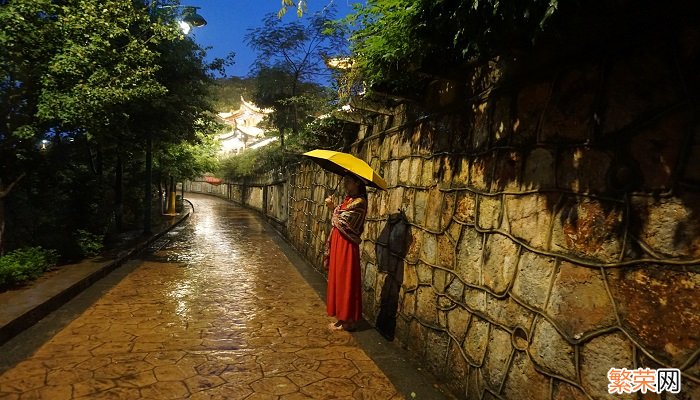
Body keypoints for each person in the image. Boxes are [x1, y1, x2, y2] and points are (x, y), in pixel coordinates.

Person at [324, 174, 368, 331]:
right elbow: (339, 215)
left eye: (348, 181)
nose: (345, 184)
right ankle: (342, 317)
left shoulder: (360, 202)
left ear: (357, 182)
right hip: (339, 242)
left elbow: (345, 221)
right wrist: (335, 208)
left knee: (346, 277)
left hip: (347, 244)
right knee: (338, 277)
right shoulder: (348, 200)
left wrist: (332, 208)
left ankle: (348, 319)